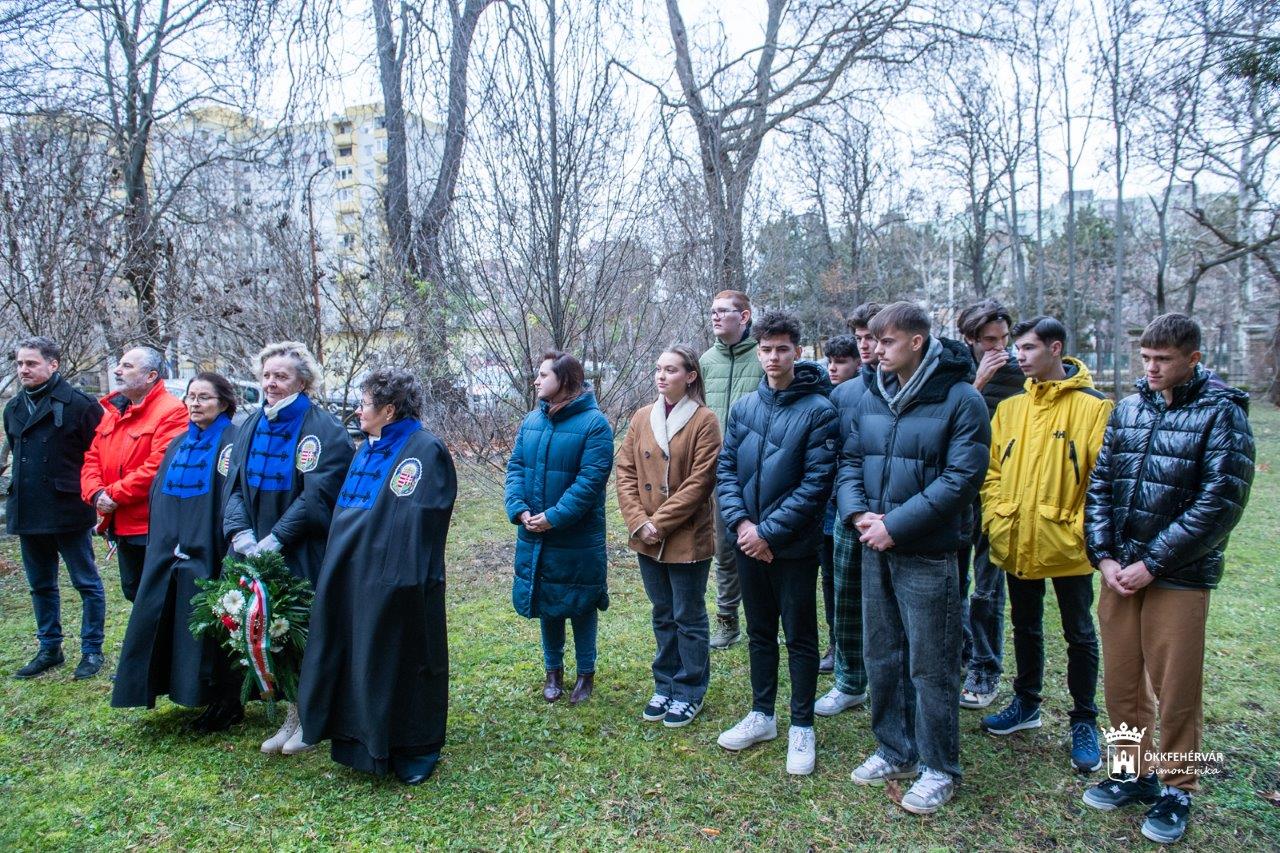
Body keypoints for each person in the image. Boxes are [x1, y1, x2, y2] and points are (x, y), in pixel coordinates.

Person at [1082, 314, 1254, 845]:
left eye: (1163, 360)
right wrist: (1105, 556)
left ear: (1193, 360)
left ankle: (1178, 787)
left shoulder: (1222, 414)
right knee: (1123, 682)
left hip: (1177, 576)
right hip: (1119, 573)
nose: (1151, 368)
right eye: (1146, 358)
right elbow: (1100, 485)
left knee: (1175, 687)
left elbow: (1219, 503)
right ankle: (1131, 772)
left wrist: (1152, 563)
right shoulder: (1128, 409)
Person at [837, 301, 989, 814]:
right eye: (873, 341)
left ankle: (938, 766)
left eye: (886, 342)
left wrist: (894, 526)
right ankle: (894, 749)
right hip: (872, 545)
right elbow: (851, 460)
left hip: (925, 552)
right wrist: (858, 513)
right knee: (883, 654)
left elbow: (961, 480)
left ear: (917, 342)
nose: (875, 350)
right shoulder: (872, 395)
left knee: (932, 663)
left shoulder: (962, 399)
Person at [300, 368, 457, 785]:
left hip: (395, 581)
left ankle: (413, 746)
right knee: (360, 658)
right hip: (350, 575)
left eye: (365, 404)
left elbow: (417, 521)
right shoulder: (365, 449)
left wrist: (395, 578)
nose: (357, 410)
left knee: (399, 660)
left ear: (388, 410)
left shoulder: (425, 450)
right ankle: (360, 740)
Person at [977, 317, 1112, 774]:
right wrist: (996, 516)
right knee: (1025, 626)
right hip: (1016, 537)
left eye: (1029, 348)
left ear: (1056, 349)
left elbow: (1102, 482)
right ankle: (1026, 702)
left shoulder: (1095, 408)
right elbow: (991, 471)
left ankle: (1084, 720)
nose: (1019, 356)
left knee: (1079, 633)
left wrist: (1077, 531)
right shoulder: (1011, 408)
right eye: (1017, 347)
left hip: (1068, 546)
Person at [714, 310, 837, 776]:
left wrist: (768, 533)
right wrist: (744, 527)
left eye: (782, 349)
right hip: (748, 542)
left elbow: (816, 483)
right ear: (757, 350)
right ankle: (762, 714)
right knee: (760, 632)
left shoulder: (819, 411)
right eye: (766, 349)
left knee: (800, 636)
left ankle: (801, 724)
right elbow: (726, 470)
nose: (773, 357)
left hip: (794, 547)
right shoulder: (744, 408)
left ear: (797, 352)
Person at [223, 341, 353, 755]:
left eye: (281, 376)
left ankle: (312, 719)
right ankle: (291, 716)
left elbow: (318, 494)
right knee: (269, 633)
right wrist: (240, 533)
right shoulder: (248, 424)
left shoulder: (322, 427)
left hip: (301, 549)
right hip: (254, 547)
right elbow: (235, 485)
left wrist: (277, 538)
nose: (271, 383)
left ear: (303, 380)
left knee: (304, 633)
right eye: (266, 376)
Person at [111, 373, 243, 731]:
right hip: (169, 549)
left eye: (204, 397)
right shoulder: (178, 443)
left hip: (211, 550)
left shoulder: (234, 443)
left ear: (224, 403)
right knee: (163, 615)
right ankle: (177, 687)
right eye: (191, 396)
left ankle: (225, 700)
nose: (195, 403)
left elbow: (232, 496)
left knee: (213, 623)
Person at [616, 345, 721, 728]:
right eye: (658, 369)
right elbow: (625, 472)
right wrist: (638, 521)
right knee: (662, 613)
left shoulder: (705, 420)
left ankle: (690, 690)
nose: (661, 376)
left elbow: (700, 483)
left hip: (686, 537)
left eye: (671, 370)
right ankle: (665, 684)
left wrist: (658, 523)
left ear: (690, 376)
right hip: (645, 535)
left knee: (687, 616)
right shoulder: (642, 416)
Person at [505, 351, 613, 705]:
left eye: (542, 375)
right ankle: (553, 672)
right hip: (534, 532)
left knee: (581, 603)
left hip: (576, 536)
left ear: (564, 381)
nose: (536, 381)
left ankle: (586, 673)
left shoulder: (595, 424)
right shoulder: (531, 421)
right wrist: (519, 509)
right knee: (547, 599)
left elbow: (590, 482)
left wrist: (554, 516)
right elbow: (516, 467)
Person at [4, 337, 106, 680]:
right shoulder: (14, 408)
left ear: (53, 365)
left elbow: (99, 454)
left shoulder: (80, 404)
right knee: (41, 585)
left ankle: (92, 650)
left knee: (86, 582)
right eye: (20, 364)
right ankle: (50, 648)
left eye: (31, 363)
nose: (23, 370)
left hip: (67, 508)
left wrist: (98, 496)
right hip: (28, 509)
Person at [954, 299, 1025, 710]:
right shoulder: (956, 370)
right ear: (970, 340)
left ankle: (986, 667)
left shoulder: (1020, 374)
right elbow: (949, 420)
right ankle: (964, 652)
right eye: (989, 340)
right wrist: (977, 383)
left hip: (1000, 496)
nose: (1000, 348)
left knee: (988, 588)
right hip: (958, 492)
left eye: (1004, 339)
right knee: (955, 583)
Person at [80, 346, 188, 604]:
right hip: (121, 522)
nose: (118, 370)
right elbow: (92, 457)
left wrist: (114, 494)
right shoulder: (116, 412)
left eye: (127, 366)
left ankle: (160, 645)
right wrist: (96, 494)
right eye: (119, 364)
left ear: (151, 376)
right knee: (134, 592)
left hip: (152, 524)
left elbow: (159, 465)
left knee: (157, 596)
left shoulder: (172, 411)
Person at [815, 303, 880, 717]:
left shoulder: (923, 388)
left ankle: (893, 683)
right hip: (847, 512)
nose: (868, 345)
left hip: (900, 516)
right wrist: (850, 509)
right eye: (860, 338)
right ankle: (850, 680)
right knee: (844, 597)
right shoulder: (843, 394)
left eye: (873, 338)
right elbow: (837, 457)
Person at [700, 290, 764, 650]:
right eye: (713, 311)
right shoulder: (706, 361)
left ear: (744, 316)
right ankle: (727, 621)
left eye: (723, 311)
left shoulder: (763, 356)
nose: (715, 316)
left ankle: (765, 620)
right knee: (725, 550)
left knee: (762, 546)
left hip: (760, 473)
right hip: (718, 476)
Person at [816, 334, 859, 674]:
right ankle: (836, 643)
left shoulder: (865, 398)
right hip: (823, 505)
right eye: (830, 360)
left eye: (842, 361)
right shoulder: (822, 397)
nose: (833, 367)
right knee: (830, 578)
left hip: (854, 503)